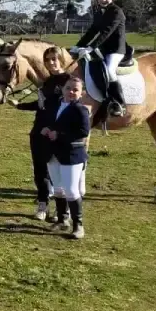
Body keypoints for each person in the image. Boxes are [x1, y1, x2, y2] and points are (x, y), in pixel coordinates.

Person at [11, 46, 71, 220]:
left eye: (54, 59)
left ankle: (62, 211)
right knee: (40, 171)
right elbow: (41, 105)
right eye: (47, 60)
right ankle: (43, 204)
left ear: (61, 60)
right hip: (39, 131)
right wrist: (19, 105)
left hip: (56, 133)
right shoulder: (46, 82)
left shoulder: (69, 81)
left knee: (58, 174)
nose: (51, 63)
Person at [42, 74, 91, 239]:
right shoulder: (55, 105)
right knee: (58, 188)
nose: (71, 92)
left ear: (81, 93)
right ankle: (62, 219)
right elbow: (51, 122)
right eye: (68, 88)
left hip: (71, 154)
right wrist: (47, 129)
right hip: (53, 153)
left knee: (71, 190)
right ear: (62, 89)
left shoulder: (81, 110)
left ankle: (78, 226)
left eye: (75, 90)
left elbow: (83, 132)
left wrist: (59, 135)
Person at [73, 0, 128, 117]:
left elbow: (106, 33)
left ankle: (119, 103)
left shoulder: (117, 12)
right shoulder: (98, 12)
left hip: (116, 50)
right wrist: (78, 45)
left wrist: (91, 47)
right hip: (103, 49)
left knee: (109, 70)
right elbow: (92, 31)